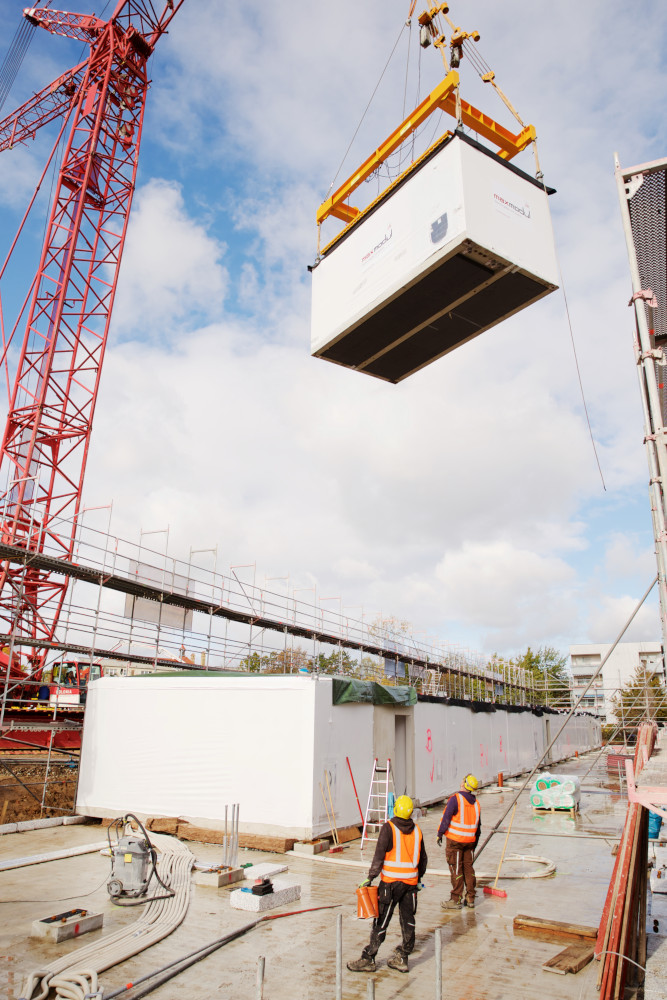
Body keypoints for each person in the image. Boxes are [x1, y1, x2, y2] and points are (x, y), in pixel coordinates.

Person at [347, 794, 427, 974]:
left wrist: (370, 877)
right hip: (410, 885)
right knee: (408, 921)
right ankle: (403, 958)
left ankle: (369, 958)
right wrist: (419, 878)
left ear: (396, 809)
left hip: (390, 885)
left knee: (381, 921)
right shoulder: (417, 831)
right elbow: (423, 860)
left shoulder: (388, 828)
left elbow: (379, 855)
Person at [437, 773, 481, 909]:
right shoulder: (476, 804)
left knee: (456, 869)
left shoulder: (455, 799)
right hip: (470, 842)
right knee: (468, 869)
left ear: (464, 784)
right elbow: (478, 827)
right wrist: (474, 843)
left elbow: (446, 817)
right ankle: (471, 897)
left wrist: (440, 833)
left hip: (455, 841)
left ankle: (456, 899)